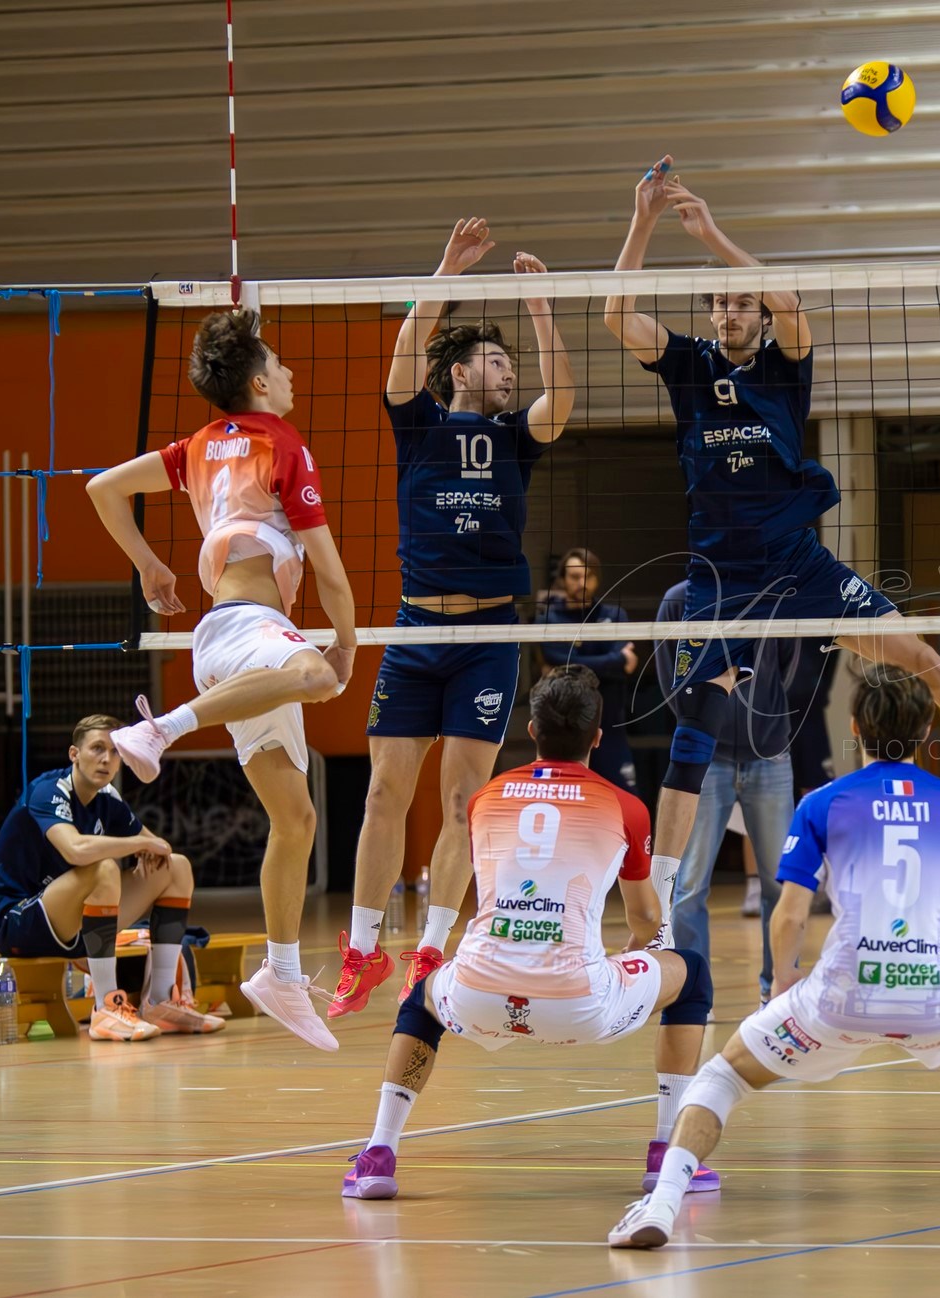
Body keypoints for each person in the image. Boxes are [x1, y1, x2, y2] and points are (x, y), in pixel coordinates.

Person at [602, 154, 940, 944]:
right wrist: (643, 220)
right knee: (694, 740)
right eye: (719, 303)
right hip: (720, 576)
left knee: (924, 658)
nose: (730, 311)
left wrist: (711, 234)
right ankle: (660, 922)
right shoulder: (687, 366)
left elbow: (789, 298)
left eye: (741, 302)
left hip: (799, 566)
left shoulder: (786, 367)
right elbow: (615, 315)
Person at [607, 665, 940, 1248]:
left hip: (838, 998)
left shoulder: (823, 802)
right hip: (937, 996)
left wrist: (784, 985)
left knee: (722, 1076)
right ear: (925, 731)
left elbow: (788, 916)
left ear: (856, 726)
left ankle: (660, 1206)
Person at [88, 309, 359, 1050]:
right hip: (252, 636)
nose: (295, 374)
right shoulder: (283, 443)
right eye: (283, 363)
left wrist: (147, 562)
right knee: (312, 673)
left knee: (296, 818)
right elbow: (330, 570)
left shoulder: (196, 447)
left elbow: (103, 489)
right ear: (262, 381)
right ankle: (162, 728)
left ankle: (278, 969)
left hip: (225, 643)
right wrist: (345, 646)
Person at [340, 667, 718, 1198]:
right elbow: (644, 922)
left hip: (476, 996)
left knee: (419, 1000)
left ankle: (379, 1153)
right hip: (579, 1005)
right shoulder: (625, 808)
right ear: (597, 738)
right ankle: (667, 1155)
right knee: (692, 974)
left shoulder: (484, 799)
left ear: (533, 732)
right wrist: (639, 954)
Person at [331, 219, 576, 1019]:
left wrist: (540, 312)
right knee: (382, 797)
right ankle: (362, 950)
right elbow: (404, 352)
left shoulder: (515, 437)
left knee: (463, 799)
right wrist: (444, 269)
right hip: (414, 632)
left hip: (488, 637)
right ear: (459, 369)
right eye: (497, 360)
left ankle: (432, 948)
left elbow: (563, 400)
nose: (508, 374)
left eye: (511, 362)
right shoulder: (420, 423)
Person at [0, 715, 223, 1041]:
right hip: (18, 920)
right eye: (97, 749)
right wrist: (138, 843)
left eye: (115, 752)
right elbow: (76, 850)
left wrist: (151, 844)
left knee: (177, 867)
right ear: (74, 754)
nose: (106, 759)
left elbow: (160, 850)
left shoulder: (107, 798)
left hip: (74, 923)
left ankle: (162, 1001)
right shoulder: (47, 791)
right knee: (103, 868)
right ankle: (106, 1007)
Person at [653, 578, 794, 1002]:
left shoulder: (774, 597)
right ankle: (693, 992)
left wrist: (765, 723)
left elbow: (788, 667)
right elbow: (667, 679)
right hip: (706, 760)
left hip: (768, 753)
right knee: (690, 884)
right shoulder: (679, 599)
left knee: (779, 882)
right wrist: (703, 728)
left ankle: (778, 990)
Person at [538, 547, 640, 796]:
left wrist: (573, 664)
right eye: (574, 576)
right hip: (566, 733)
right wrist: (614, 659)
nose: (582, 582)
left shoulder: (614, 615)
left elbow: (627, 666)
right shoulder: (548, 619)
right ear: (562, 578)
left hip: (610, 729)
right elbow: (555, 658)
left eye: (589, 576)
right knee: (568, 805)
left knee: (624, 799)